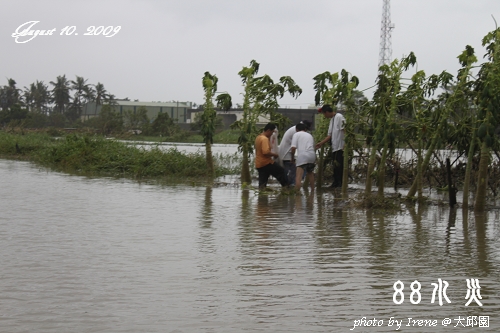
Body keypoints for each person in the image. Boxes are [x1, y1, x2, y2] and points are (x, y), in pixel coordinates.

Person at [315, 104, 345, 188]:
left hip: (340, 146)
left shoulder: (339, 117)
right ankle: (336, 182)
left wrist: (345, 144)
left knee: (339, 166)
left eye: (324, 114)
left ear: (327, 112)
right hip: (335, 147)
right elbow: (330, 135)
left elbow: (345, 129)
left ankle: (340, 183)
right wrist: (321, 143)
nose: (324, 116)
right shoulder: (332, 120)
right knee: (335, 166)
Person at [278, 120, 312, 185]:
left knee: (291, 172)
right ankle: (292, 185)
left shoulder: (296, 129)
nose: (306, 131)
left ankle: (288, 185)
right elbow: (295, 147)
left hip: (287, 154)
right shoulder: (296, 132)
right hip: (287, 154)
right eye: (306, 129)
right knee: (298, 171)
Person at [255, 123, 289, 189]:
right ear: (268, 130)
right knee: (281, 171)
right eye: (272, 132)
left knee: (263, 181)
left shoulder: (258, 137)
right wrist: (275, 155)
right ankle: (286, 187)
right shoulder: (264, 139)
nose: (272, 134)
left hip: (259, 163)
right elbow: (266, 152)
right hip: (266, 163)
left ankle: (261, 196)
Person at [290, 122, 316, 192]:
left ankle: (297, 193)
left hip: (303, 156)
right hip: (312, 155)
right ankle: (313, 191)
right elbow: (314, 146)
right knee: (310, 173)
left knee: (298, 176)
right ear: (305, 129)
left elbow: (293, 148)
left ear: (296, 129)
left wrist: (292, 158)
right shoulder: (310, 135)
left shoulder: (296, 134)